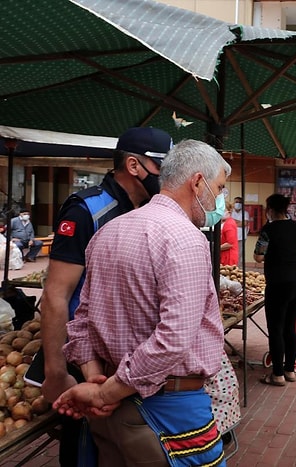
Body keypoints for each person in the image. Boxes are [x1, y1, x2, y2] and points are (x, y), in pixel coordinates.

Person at [53, 139, 231, 467]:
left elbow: (81, 320)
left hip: (110, 407)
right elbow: (173, 339)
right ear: (197, 182)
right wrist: (104, 393)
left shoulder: (109, 231)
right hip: (169, 410)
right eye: (219, 187)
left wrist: (95, 380)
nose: (220, 199)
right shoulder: (186, 238)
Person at [41, 126, 172, 466]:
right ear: (133, 165)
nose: (169, 174)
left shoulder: (152, 213)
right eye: (162, 165)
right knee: (88, 453)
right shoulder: (87, 211)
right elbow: (56, 294)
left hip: (131, 367)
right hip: (88, 362)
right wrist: (57, 371)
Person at [254, 194, 296, 386]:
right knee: (290, 326)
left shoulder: (269, 229)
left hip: (278, 283)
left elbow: (258, 257)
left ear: (271, 209)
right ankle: (289, 370)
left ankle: (277, 374)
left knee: (276, 328)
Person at [232, 196, 250, 267]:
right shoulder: (230, 212)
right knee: (231, 253)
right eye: (236, 202)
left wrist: (233, 221)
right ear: (233, 203)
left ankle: (237, 268)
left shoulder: (245, 213)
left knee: (239, 254)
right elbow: (227, 221)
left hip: (241, 237)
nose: (238, 204)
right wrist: (239, 222)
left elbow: (244, 223)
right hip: (231, 237)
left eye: (240, 202)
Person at [220, 201, 239, 266]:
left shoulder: (229, 224)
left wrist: (215, 248)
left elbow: (230, 244)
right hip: (223, 256)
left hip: (228, 257)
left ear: (228, 212)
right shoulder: (224, 223)